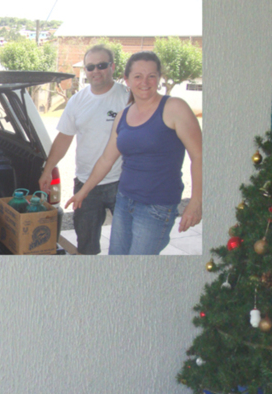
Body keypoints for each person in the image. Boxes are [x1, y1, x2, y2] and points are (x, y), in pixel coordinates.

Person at [66, 51, 202, 256]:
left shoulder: (174, 107)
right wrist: (83, 192)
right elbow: (106, 160)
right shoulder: (123, 115)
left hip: (157, 206)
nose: (145, 82)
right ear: (127, 80)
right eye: (138, 76)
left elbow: (199, 157)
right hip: (124, 201)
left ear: (159, 78)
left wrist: (196, 202)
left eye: (152, 76)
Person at [39, 45, 130, 255]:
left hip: (122, 182)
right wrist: (47, 171)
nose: (95, 71)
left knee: (126, 244)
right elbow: (64, 139)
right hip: (85, 186)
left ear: (112, 66)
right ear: (85, 70)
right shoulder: (77, 101)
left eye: (101, 65)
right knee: (87, 246)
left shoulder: (128, 97)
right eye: (90, 67)